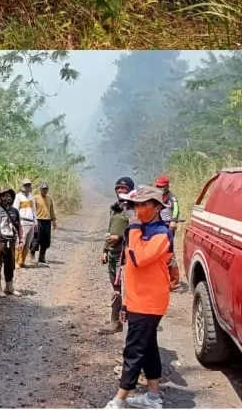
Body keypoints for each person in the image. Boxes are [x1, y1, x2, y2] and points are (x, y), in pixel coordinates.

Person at [104, 186, 175, 409]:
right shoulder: (142, 229)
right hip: (137, 300)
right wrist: (125, 302)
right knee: (148, 348)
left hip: (150, 302)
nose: (137, 210)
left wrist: (133, 227)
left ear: (156, 207)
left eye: (143, 205)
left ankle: (119, 400)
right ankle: (153, 397)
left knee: (134, 351)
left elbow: (139, 259)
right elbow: (128, 270)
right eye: (135, 205)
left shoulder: (161, 233)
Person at [100, 176, 135, 334]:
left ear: (130, 190)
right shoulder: (115, 207)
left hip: (125, 254)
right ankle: (116, 321)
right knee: (115, 287)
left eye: (124, 188)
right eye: (118, 188)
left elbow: (135, 233)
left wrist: (119, 238)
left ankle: (121, 322)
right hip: (113, 253)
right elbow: (110, 229)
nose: (120, 190)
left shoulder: (133, 210)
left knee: (125, 288)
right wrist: (105, 250)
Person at [154, 175, 184, 291]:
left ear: (167, 186)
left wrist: (173, 221)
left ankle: (174, 281)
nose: (160, 188)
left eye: (162, 186)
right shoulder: (155, 196)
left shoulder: (172, 197)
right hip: (157, 226)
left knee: (169, 252)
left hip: (168, 227)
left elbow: (176, 209)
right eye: (158, 186)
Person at [0, 188, 22, 297]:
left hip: (11, 242)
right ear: (0, 197)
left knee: (10, 265)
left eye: (9, 196)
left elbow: (19, 226)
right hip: (0, 242)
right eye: (4, 196)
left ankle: (9, 286)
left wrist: (21, 240)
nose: (7, 198)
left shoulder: (15, 211)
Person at [14, 179, 38, 268]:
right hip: (22, 222)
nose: (27, 187)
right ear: (22, 186)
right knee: (20, 243)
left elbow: (34, 210)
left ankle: (22, 261)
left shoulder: (31, 197)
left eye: (29, 185)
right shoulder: (18, 197)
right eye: (26, 185)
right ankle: (16, 261)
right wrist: (16, 222)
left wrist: (35, 222)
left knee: (28, 244)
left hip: (31, 222)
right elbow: (15, 210)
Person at [35, 181, 57, 264]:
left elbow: (51, 210)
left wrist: (54, 221)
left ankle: (42, 257)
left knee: (46, 240)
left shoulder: (49, 198)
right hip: (38, 220)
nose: (45, 191)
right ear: (40, 189)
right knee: (37, 239)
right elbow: (32, 210)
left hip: (47, 221)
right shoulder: (35, 198)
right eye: (43, 189)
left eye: (46, 189)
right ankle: (32, 256)